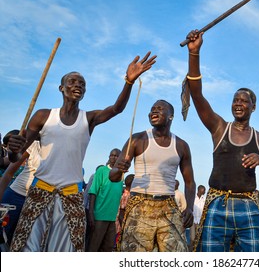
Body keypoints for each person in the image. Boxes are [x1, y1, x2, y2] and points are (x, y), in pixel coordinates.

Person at [6, 52, 157, 252]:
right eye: (72, 81)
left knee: (69, 250)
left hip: (71, 194)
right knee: (27, 247)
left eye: (82, 84)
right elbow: (16, 157)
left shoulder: (88, 119)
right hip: (40, 192)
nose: (78, 85)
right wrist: (13, 150)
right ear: (61, 88)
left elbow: (116, 109)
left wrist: (128, 82)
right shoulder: (43, 116)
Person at [184, 30, 259, 252]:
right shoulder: (219, 127)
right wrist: (194, 54)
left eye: (244, 101)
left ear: (253, 107)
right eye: (235, 100)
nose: (238, 103)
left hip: (249, 206)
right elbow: (197, 96)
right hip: (218, 204)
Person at [110, 100, 196, 252]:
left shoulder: (181, 145)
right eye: (152, 109)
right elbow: (113, 176)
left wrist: (189, 208)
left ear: (171, 117)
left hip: (168, 205)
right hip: (140, 204)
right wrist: (119, 170)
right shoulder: (137, 139)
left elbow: (190, 183)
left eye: (159, 109)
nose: (153, 112)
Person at [0, 138, 41, 246]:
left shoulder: (60, 151)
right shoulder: (34, 144)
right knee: (2, 233)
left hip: (36, 202)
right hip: (14, 194)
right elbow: (9, 171)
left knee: (21, 240)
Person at [87, 148, 122, 252]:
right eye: (111, 155)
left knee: (109, 246)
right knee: (94, 246)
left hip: (112, 217)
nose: (113, 157)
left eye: (116, 156)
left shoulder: (121, 174)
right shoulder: (102, 171)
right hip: (100, 216)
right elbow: (93, 192)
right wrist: (91, 213)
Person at [115, 173, 134, 245]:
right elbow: (121, 213)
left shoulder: (124, 193)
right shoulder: (127, 195)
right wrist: (124, 227)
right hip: (120, 226)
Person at [189, 184, 206, 250]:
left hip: (201, 221)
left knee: (200, 239)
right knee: (192, 239)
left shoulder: (204, 199)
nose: (204, 192)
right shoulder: (192, 198)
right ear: (199, 190)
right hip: (193, 221)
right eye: (203, 190)